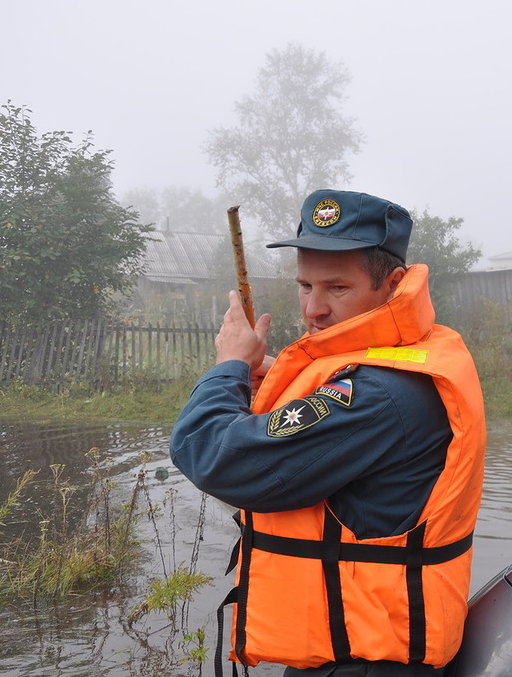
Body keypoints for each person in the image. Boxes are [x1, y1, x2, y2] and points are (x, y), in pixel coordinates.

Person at [169, 189, 487, 677]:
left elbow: (212, 455)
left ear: (394, 283)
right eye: (304, 286)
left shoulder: (378, 395)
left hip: (365, 660)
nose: (313, 309)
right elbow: (350, 396)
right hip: (361, 646)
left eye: (337, 288)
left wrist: (228, 366)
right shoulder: (416, 351)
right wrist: (283, 380)